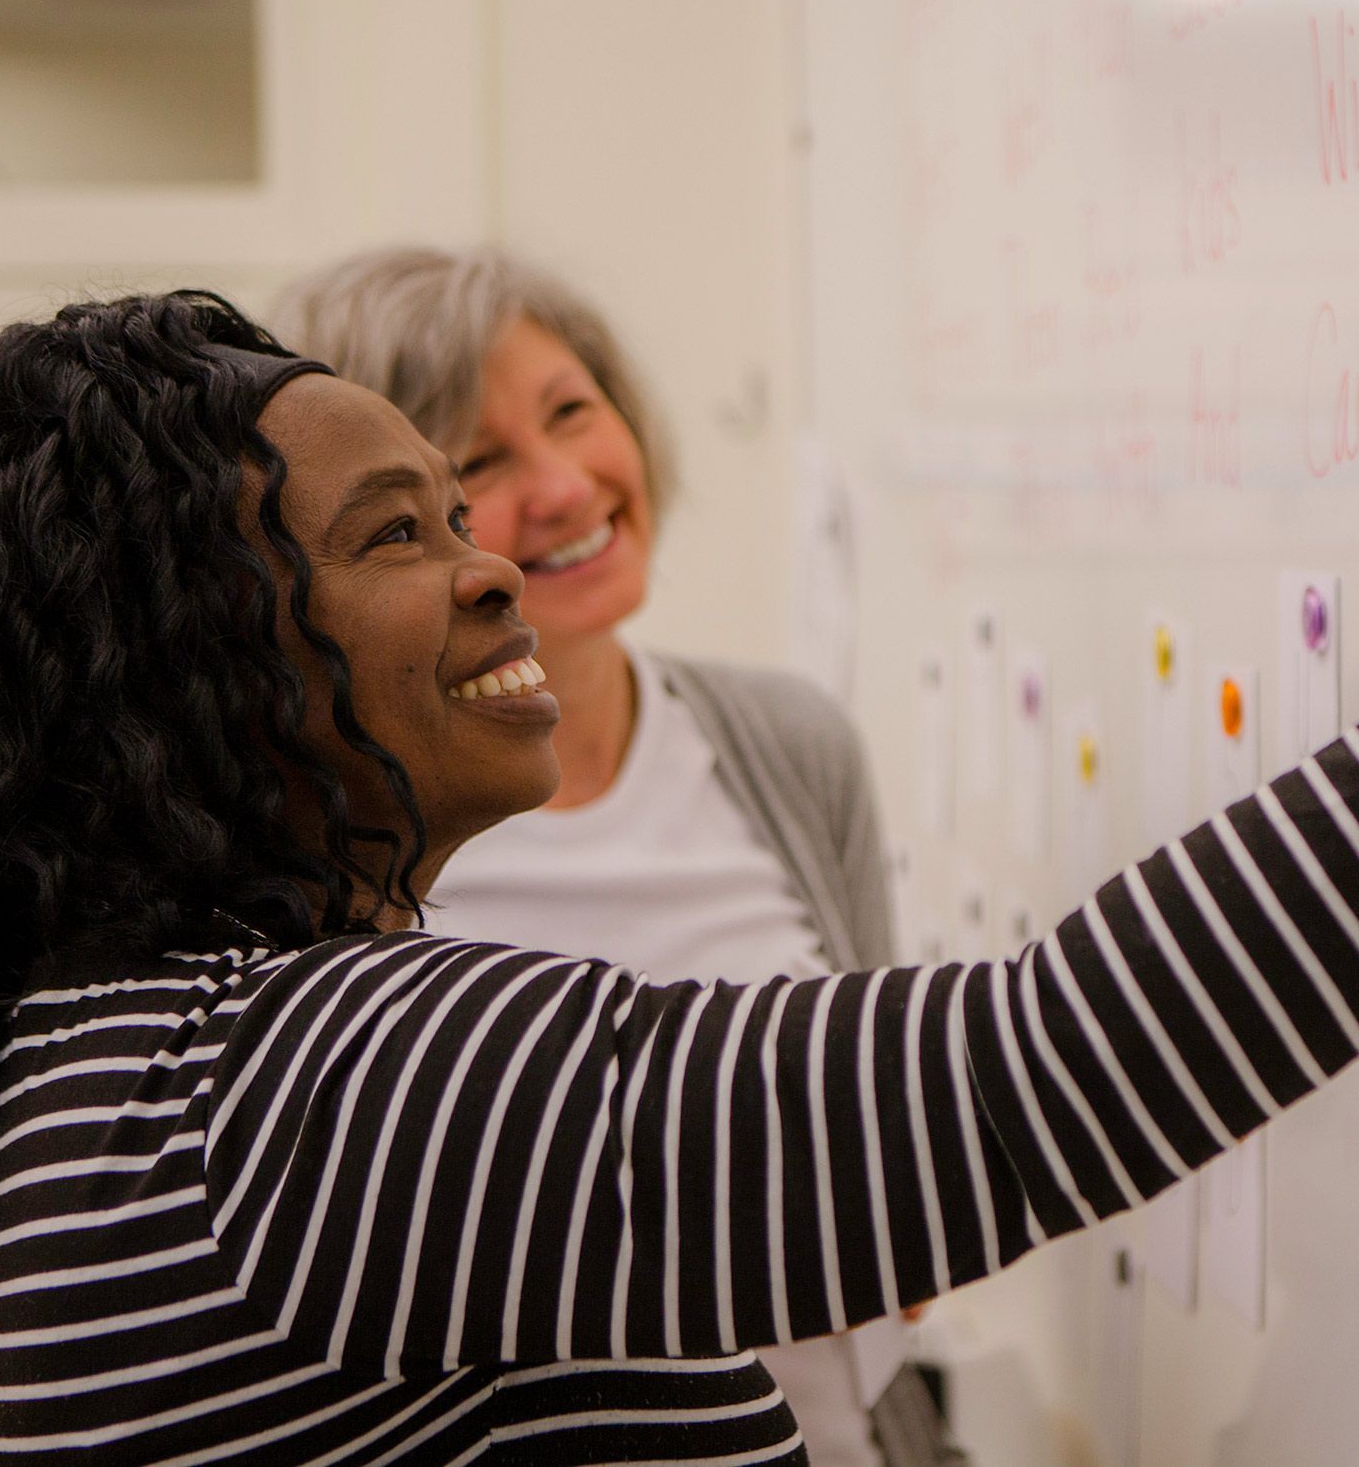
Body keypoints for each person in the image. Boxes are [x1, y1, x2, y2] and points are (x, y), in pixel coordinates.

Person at [0, 11, 1359, 1466]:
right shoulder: (296, 1095)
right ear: (186, 661)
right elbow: (1039, 1068)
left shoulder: (102, 1061)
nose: (499, 559)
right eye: (406, 527)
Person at [268, 251, 937, 1467]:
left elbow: (888, 1155)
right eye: (476, 466)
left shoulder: (791, 743)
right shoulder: (330, 841)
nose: (568, 486)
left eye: (573, 410)